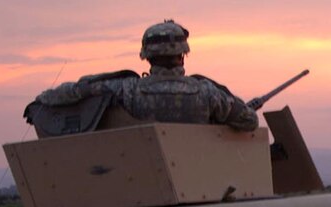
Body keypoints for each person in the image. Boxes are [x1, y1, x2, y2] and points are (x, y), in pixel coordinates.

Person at [33, 20, 258, 132]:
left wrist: (43, 99)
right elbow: (249, 121)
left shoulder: (126, 90)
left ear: (147, 57)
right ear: (183, 55)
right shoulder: (209, 94)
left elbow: (75, 92)